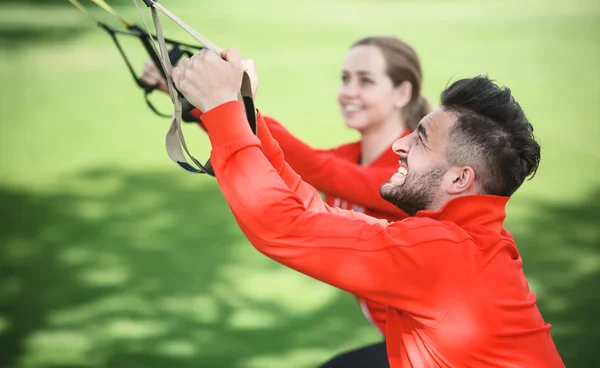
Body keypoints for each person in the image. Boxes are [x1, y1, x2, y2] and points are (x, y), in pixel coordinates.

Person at [168, 47, 565, 367]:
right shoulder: (457, 241)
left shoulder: (444, 253)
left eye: (420, 140)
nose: (399, 145)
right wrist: (240, 106)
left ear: (460, 179)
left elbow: (282, 226)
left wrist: (222, 108)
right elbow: (310, 214)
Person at [141, 36, 431, 366]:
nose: (349, 91)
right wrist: (199, 101)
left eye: (365, 80)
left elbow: (310, 165)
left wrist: (227, 102)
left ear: (402, 93)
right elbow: (275, 160)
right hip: (402, 342)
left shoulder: (413, 171)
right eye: (345, 78)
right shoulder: (348, 158)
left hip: (440, 349)